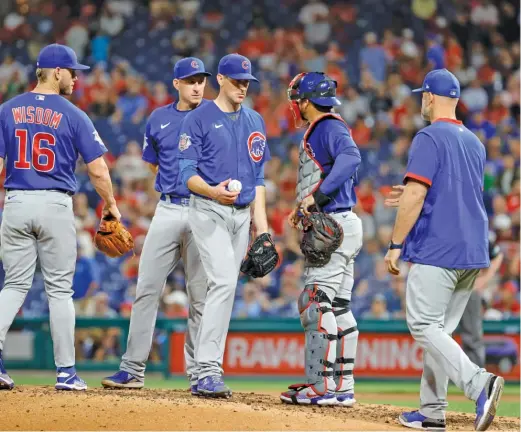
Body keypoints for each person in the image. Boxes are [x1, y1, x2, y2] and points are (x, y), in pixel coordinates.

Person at [383, 69, 503, 431]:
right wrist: (414, 196)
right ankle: (432, 411)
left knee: (421, 324)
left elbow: (418, 194)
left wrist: (395, 244)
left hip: (439, 247)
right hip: (471, 249)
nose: (422, 100)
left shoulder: (429, 136)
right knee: (439, 332)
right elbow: (455, 193)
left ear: (430, 97)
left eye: (423, 95)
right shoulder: (474, 142)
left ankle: (478, 382)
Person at [0, 43, 119, 391]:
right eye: (71, 72)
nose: (76, 77)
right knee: (59, 291)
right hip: (54, 205)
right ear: (55, 73)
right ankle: (66, 373)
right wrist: (110, 204)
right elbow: (97, 169)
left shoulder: (6, 110)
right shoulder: (72, 113)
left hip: (17, 202)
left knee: (15, 285)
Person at [101, 58, 211, 392]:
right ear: (176, 83)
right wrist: (173, 186)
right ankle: (132, 369)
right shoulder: (159, 117)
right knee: (147, 288)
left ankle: (200, 373)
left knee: (200, 296)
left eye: (201, 81)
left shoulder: (215, 116)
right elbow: (153, 165)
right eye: (190, 81)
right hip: (167, 209)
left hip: (204, 210)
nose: (197, 86)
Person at [178, 53, 273, 398]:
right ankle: (207, 370)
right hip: (207, 209)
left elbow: (259, 180)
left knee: (222, 288)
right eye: (236, 81)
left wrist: (261, 228)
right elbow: (186, 174)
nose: (243, 87)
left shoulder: (255, 120)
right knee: (222, 282)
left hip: (242, 214)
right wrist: (213, 192)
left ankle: (203, 369)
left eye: (247, 82)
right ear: (220, 79)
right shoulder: (199, 118)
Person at [279, 72, 363, 406]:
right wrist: (305, 207)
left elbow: (351, 158)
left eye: (298, 97)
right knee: (339, 307)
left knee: (315, 301)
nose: (295, 104)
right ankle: (342, 386)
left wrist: (316, 199)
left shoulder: (327, 126)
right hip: (342, 222)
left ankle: (321, 386)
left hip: (334, 224)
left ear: (307, 100)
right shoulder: (329, 126)